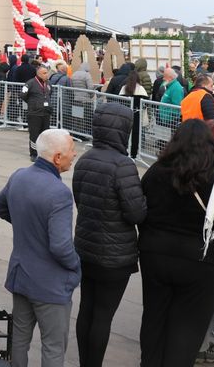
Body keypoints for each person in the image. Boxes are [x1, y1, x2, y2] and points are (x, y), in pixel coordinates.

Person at [139, 120, 214, 367]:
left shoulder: (158, 171)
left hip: (156, 255)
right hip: (204, 262)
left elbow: (141, 208)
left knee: (154, 317)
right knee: (189, 325)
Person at [0, 129, 80, 367]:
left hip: (21, 277)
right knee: (53, 346)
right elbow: (61, 246)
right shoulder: (59, 193)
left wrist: (25, 224)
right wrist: (75, 267)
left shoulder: (19, 176)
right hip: (50, 285)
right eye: (72, 149)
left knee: (19, 338)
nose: (75, 154)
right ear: (58, 157)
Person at [72, 103, 146, 366]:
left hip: (85, 247)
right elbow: (136, 213)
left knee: (86, 310)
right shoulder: (123, 165)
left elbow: (79, 199)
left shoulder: (84, 159)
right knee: (103, 315)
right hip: (115, 256)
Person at [22, 65, 53, 161]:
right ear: (38, 74)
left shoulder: (48, 83)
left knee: (45, 134)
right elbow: (23, 95)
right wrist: (33, 103)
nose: (46, 75)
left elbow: (50, 93)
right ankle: (34, 153)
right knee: (34, 134)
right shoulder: (30, 83)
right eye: (44, 73)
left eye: (47, 72)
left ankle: (43, 153)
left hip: (46, 113)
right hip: (34, 113)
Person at [120, 70, 150, 158]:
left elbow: (120, 100)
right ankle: (133, 153)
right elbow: (146, 103)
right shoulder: (141, 89)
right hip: (137, 114)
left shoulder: (124, 88)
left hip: (125, 113)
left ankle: (123, 150)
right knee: (135, 134)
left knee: (125, 132)